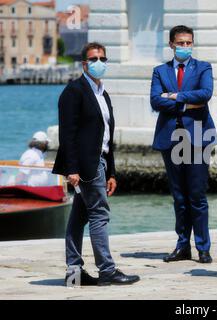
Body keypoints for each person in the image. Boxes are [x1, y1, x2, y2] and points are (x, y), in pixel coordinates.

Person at [53, 42, 140, 286]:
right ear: (84, 63)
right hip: (84, 165)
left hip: (100, 162)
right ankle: (107, 270)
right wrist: (72, 169)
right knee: (100, 214)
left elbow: (106, 136)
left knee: (79, 216)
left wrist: (111, 171)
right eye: (93, 58)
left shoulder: (103, 94)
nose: (98, 62)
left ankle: (74, 273)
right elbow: (67, 134)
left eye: (102, 58)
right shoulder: (74, 91)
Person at [150, 25, 216, 264]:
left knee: (197, 196)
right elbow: (156, 101)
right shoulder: (160, 71)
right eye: (180, 43)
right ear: (171, 45)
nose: (185, 47)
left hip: (198, 137)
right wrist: (188, 103)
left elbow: (206, 94)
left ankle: (203, 247)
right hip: (170, 138)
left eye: (189, 43)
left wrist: (175, 97)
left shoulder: (203, 67)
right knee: (179, 196)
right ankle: (182, 246)